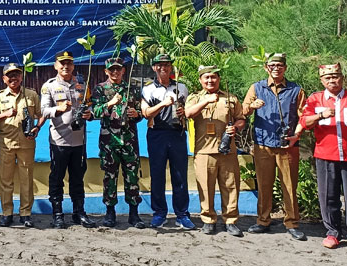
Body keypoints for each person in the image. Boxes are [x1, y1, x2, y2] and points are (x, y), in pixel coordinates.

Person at [301, 63, 347, 255]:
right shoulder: (315, 99)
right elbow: (304, 122)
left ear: (342, 78)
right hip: (325, 156)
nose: (332, 80)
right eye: (327, 77)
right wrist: (320, 115)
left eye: (335, 76)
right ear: (321, 80)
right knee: (328, 197)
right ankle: (333, 232)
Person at [242, 53, 307, 240]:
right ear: (266, 68)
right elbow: (243, 111)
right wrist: (252, 106)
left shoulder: (296, 90)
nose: (276, 68)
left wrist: (297, 134)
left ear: (285, 68)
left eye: (280, 65)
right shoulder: (256, 87)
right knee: (264, 185)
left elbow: (304, 115)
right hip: (263, 144)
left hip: (287, 145)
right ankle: (263, 221)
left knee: (289, 185)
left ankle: (292, 222)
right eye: (272, 65)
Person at [185, 65, 246, 236]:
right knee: (205, 187)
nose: (210, 80)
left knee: (231, 186)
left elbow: (241, 119)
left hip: (227, 150)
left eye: (214, 77)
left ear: (219, 79)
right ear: (200, 80)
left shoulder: (230, 98)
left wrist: (235, 127)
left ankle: (231, 220)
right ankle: (208, 219)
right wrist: (206, 101)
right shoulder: (195, 97)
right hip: (204, 151)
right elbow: (188, 113)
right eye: (207, 77)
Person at [40, 51, 95, 229]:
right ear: (55, 65)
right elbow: (44, 111)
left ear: (73, 65)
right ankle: (57, 214)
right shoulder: (49, 86)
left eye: (69, 63)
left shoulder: (82, 85)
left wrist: (89, 114)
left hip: (79, 141)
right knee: (57, 178)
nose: (65, 66)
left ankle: (79, 213)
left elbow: (91, 106)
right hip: (59, 142)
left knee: (78, 178)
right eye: (61, 63)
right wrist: (59, 108)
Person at [0, 63, 46, 228]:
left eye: (16, 74)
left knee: (26, 179)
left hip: (26, 143)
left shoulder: (31, 95)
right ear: (4, 78)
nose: (13, 78)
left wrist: (37, 128)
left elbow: (41, 115)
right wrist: (6, 113)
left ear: (21, 76)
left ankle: (25, 214)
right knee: (6, 180)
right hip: (5, 143)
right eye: (10, 75)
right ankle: (7, 213)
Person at [140, 52, 194, 230]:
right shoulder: (148, 89)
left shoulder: (181, 87)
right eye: (159, 65)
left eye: (167, 65)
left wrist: (183, 112)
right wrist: (163, 104)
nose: (163, 68)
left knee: (180, 176)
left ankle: (182, 214)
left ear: (171, 67)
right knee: (157, 176)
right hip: (157, 135)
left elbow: (188, 111)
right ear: (154, 68)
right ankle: (159, 213)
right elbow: (146, 113)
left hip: (177, 134)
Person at [91, 56, 145, 229]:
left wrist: (137, 114)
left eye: (118, 69)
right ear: (106, 71)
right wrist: (110, 103)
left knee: (132, 177)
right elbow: (95, 112)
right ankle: (110, 212)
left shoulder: (132, 88)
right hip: (109, 141)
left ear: (123, 70)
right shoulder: (100, 89)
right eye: (111, 69)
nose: (115, 72)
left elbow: (140, 111)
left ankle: (134, 213)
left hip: (129, 140)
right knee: (110, 177)